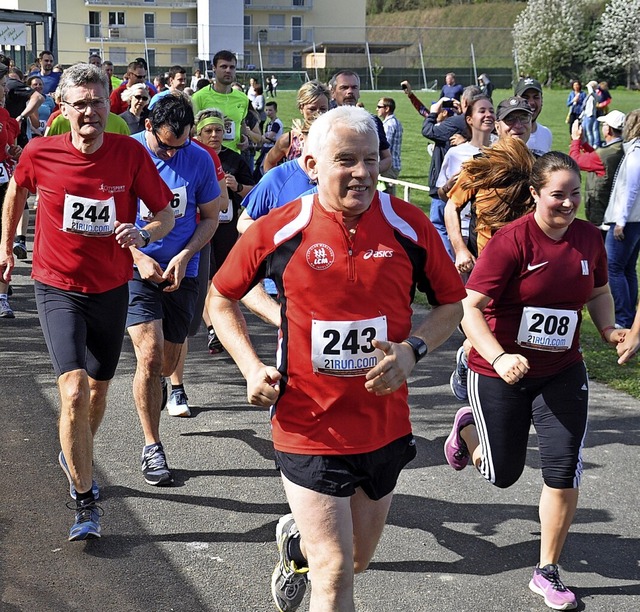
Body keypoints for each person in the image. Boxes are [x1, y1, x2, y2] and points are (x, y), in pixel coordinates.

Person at [208, 105, 465, 612]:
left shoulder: (409, 226)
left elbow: (451, 305)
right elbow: (220, 298)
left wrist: (413, 352)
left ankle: (295, 545)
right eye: (345, 160)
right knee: (335, 572)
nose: (362, 173)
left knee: (358, 560)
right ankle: (312, 553)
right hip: (307, 424)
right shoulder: (279, 230)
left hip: (383, 424)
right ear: (311, 164)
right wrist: (251, 367)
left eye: (370, 159)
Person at [0, 63, 175, 540]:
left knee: (96, 391)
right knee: (73, 390)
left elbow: (163, 213)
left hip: (110, 286)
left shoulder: (129, 154)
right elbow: (16, 190)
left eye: (98, 102)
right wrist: (6, 247)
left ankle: (77, 447)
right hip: (56, 285)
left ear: (107, 105)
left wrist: (143, 232)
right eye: (80, 104)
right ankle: (84, 499)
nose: (90, 112)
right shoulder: (40, 152)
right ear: (64, 109)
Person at [444, 151, 624, 611]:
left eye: (575, 196)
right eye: (557, 196)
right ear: (535, 195)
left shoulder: (588, 239)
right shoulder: (511, 241)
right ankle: (467, 426)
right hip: (498, 371)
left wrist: (609, 329)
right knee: (502, 475)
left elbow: (600, 291)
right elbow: (469, 309)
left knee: (563, 470)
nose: (567, 205)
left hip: (562, 372)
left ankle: (547, 570)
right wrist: (500, 357)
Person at [126, 93, 221, 482]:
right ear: (149, 126)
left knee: (166, 363)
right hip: (135, 266)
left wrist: (185, 256)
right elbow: (109, 218)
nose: (171, 154)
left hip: (183, 269)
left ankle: (159, 386)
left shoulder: (197, 158)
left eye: (179, 146)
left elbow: (212, 216)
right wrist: (138, 257)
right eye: (165, 145)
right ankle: (152, 447)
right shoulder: (128, 153)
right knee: (148, 358)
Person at [443, 97, 536, 401]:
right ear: (498, 126)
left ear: (532, 124)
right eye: (510, 120)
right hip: (486, 261)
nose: (517, 126)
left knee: (514, 326)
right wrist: (459, 248)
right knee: (482, 318)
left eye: (523, 119)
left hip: (527, 263)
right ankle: (469, 362)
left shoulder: (540, 166)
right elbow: (452, 207)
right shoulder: (480, 165)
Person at [193, 107, 255, 354]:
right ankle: (212, 329)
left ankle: (222, 326)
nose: (214, 135)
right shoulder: (196, 156)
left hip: (226, 227)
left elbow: (253, 193)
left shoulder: (234, 159)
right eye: (208, 130)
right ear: (199, 133)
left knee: (224, 280)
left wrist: (236, 185)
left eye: (219, 130)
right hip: (200, 224)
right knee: (207, 279)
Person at [422, 85, 482, 258]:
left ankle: (448, 259)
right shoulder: (483, 127)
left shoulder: (455, 121)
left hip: (447, 183)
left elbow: (428, 130)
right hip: (469, 192)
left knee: (439, 224)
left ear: (464, 102)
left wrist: (433, 112)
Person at [602, 109, 640, 329]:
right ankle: (630, 315)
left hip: (627, 220)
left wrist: (621, 221)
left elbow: (631, 189)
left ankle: (623, 318)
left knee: (613, 267)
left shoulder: (635, 152)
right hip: (636, 220)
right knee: (627, 268)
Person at [569, 110, 625, 238]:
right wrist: (584, 144)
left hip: (601, 214)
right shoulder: (620, 148)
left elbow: (575, 162)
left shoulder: (606, 154)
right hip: (615, 210)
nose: (602, 128)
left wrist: (575, 140)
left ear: (609, 130)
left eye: (604, 125)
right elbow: (597, 158)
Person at [329, 70, 392, 174]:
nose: (350, 91)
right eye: (344, 88)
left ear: (359, 92)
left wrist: (368, 172)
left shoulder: (372, 122)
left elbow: (387, 158)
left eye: (354, 87)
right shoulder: (324, 120)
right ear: (333, 92)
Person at [263, 80, 330, 172]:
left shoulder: (334, 137)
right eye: (312, 109)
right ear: (301, 108)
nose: (318, 113)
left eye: (323, 109)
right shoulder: (289, 140)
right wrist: (276, 184)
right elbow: (269, 162)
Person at [191, 50, 249, 154]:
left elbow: (241, 123)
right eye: (223, 66)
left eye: (232, 67)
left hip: (233, 158)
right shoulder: (199, 97)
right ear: (214, 68)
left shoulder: (242, 98)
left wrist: (244, 138)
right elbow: (188, 130)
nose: (228, 70)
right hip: (207, 157)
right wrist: (215, 124)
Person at [0, 63, 21, 318]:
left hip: (3, 182)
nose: (5, 89)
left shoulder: (5, 116)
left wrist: (13, 152)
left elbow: (10, 147)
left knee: (4, 236)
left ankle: (2, 297)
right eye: (3, 85)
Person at [514, 77, 552, 157]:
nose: (531, 102)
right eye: (525, 97)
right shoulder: (510, 133)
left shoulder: (546, 133)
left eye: (536, 97)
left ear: (542, 100)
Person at [376, 97, 403, 195]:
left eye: (379, 107)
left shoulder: (389, 125)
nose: (377, 109)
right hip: (394, 165)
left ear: (387, 109)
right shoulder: (395, 122)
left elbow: (384, 146)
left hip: (389, 167)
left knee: (386, 196)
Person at [254, 100, 283, 181]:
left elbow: (269, 138)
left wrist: (259, 138)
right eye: (266, 110)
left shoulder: (276, 123)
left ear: (276, 111)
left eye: (270, 110)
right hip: (266, 149)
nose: (268, 112)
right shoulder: (269, 123)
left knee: (262, 171)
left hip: (271, 150)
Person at [580, 81, 599, 148]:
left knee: (589, 132)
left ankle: (591, 145)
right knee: (583, 131)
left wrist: (589, 86)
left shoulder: (594, 95)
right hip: (585, 115)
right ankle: (584, 144)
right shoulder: (590, 95)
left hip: (590, 115)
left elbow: (591, 92)